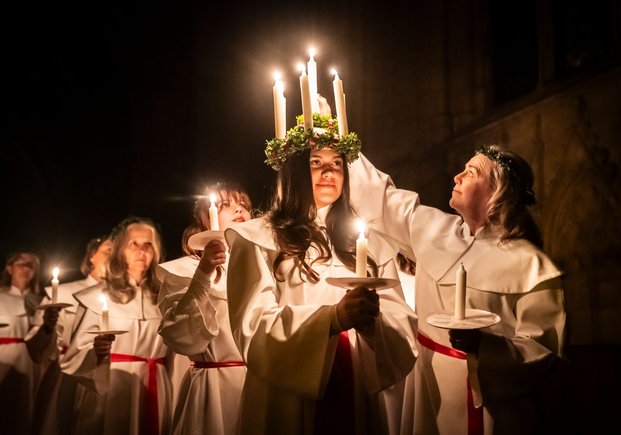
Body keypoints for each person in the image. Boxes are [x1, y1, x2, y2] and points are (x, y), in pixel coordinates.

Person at [348, 145, 567, 434]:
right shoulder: (435, 231)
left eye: (471, 172)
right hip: (427, 387)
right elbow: (381, 198)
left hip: (491, 405)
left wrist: (483, 347)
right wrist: (332, 135)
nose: (457, 176)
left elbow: (543, 351)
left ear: (496, 191)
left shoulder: (532, 265)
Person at [225, 113, 417, 434]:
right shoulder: (257, 238)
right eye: (316, 162)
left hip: (353, 383)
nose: (329, 172)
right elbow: (253, 328)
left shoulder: (365, 241)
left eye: (337, 163)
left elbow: (400, 321)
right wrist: (333, 318)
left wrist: (373, 326)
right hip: (285, 396)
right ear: (294, 171)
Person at [61, 217, 174, 435]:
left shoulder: (165, 298)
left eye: (148, 244)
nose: (141, 250)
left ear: (157, 251)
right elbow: (74, 356)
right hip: (111, 389)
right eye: (134, 244)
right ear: (120, 250)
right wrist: (98, 352)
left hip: (156, 388)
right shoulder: (97, 297)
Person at [157, 182, 253, 435]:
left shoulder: (262, 266)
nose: (239, 210)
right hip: (215, 390)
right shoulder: (184, 271)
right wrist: (204, 273)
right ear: (205, 218)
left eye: (244, 205)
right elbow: (180, 335)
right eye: (227, 205)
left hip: (258, 386)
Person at [28, 236, 113, 435]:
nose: (113, 255)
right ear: (91, 256)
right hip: (65, 375)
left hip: (105, 377)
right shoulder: (64, 292)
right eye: (108, 249)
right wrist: (48, 327)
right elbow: (36, 348)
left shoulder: (123, 298)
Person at [0, 251, 45, 434]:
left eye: (31, 264)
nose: (26, 268)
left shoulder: (42, 301)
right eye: (21, 263)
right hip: (5, 358)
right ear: (10, 268)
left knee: (27, 411)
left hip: (32, 362)